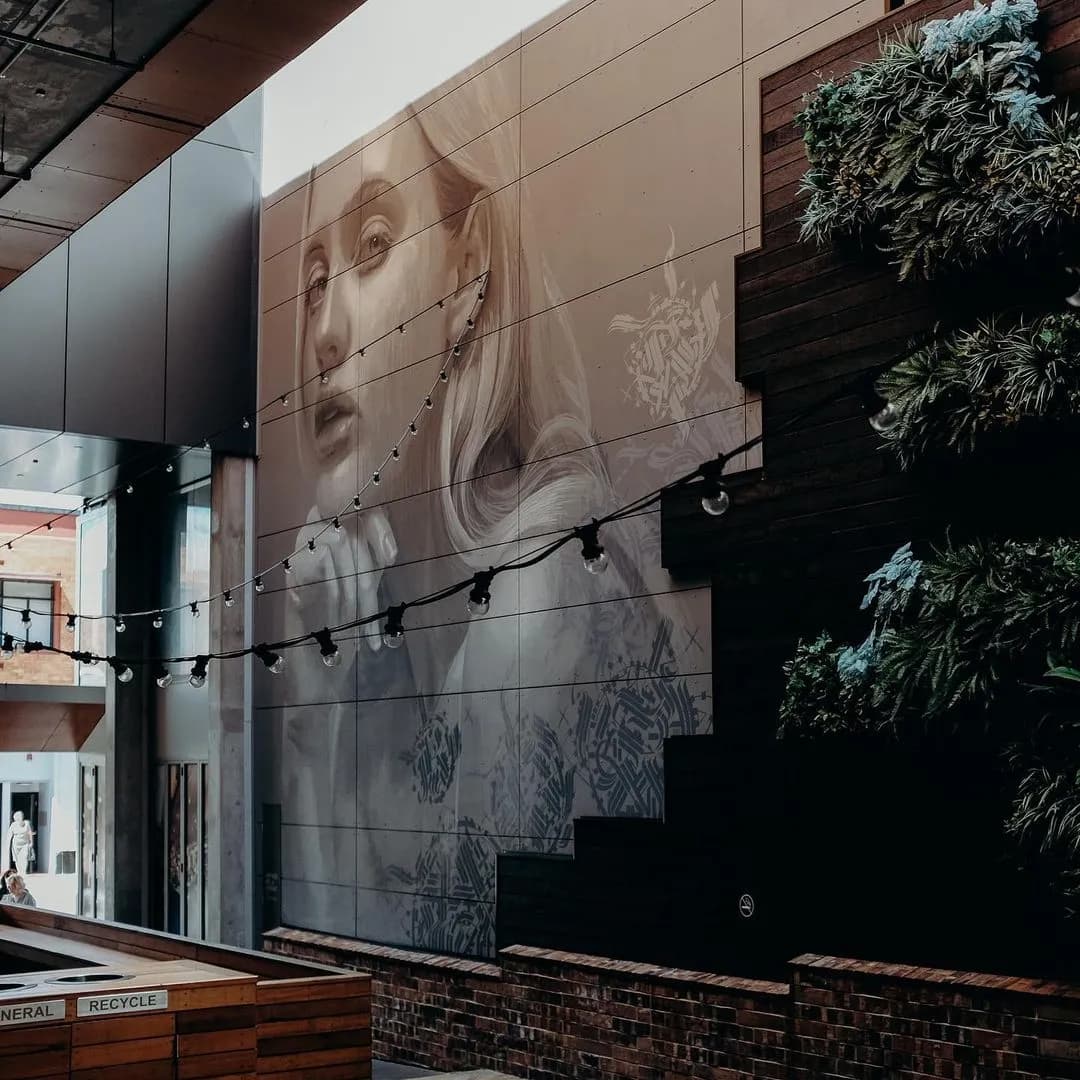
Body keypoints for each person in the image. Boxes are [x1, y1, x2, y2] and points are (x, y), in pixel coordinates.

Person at [6, 810, 33, 877]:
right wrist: (8, 844)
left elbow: (30, 833)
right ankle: (19, 871)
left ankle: (23, 871)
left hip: (25, 843)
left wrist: (31, 842)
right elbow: (9, 835)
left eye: (21, 816)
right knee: (17, 858)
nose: (21, 818)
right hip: (16, 844)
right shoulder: (13, 825)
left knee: (25, 857)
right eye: (19, 817)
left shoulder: (27, 823)